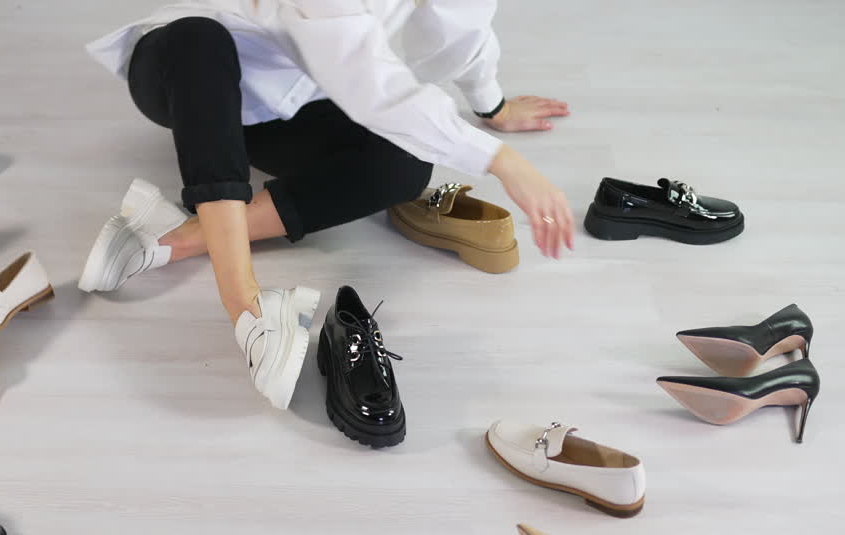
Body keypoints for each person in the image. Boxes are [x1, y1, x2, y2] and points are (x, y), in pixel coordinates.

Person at [78, 0, 573, 409]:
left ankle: (166, 239)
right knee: (198, 38)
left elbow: (456, 30)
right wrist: (501, 160)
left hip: (288, 101)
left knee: (405, 162)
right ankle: (247, 307)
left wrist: (492, 104)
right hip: (180, 68)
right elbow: (373, 86)